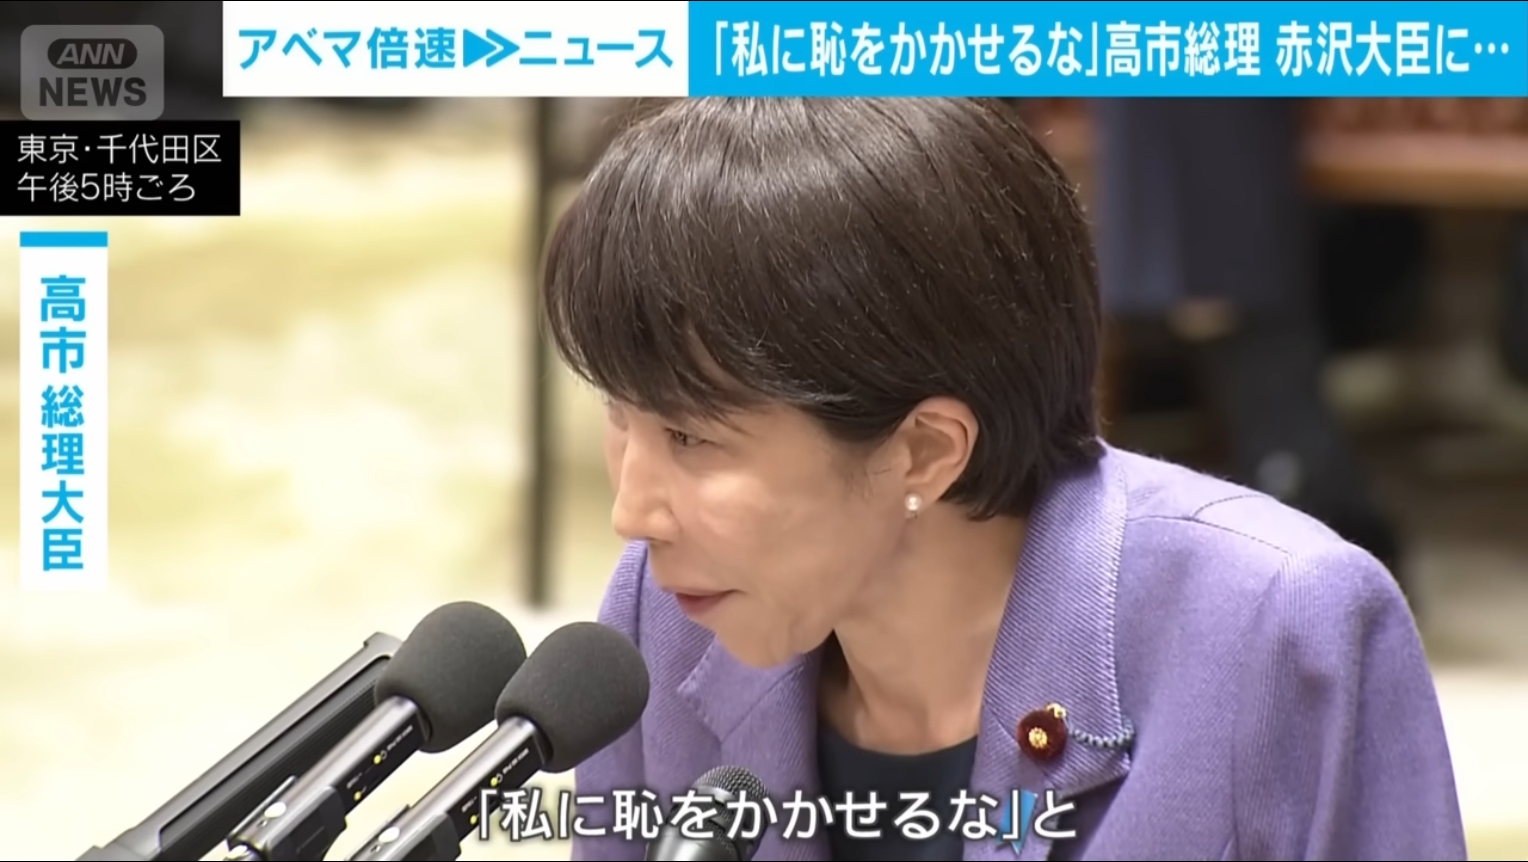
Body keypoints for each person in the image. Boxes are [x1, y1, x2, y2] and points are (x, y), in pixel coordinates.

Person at [542, 98, 1465, 861]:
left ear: (926, 450)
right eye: (620, 419)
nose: (632, 512)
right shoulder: (666, 617)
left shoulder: (1283, 630)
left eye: (692, 438)